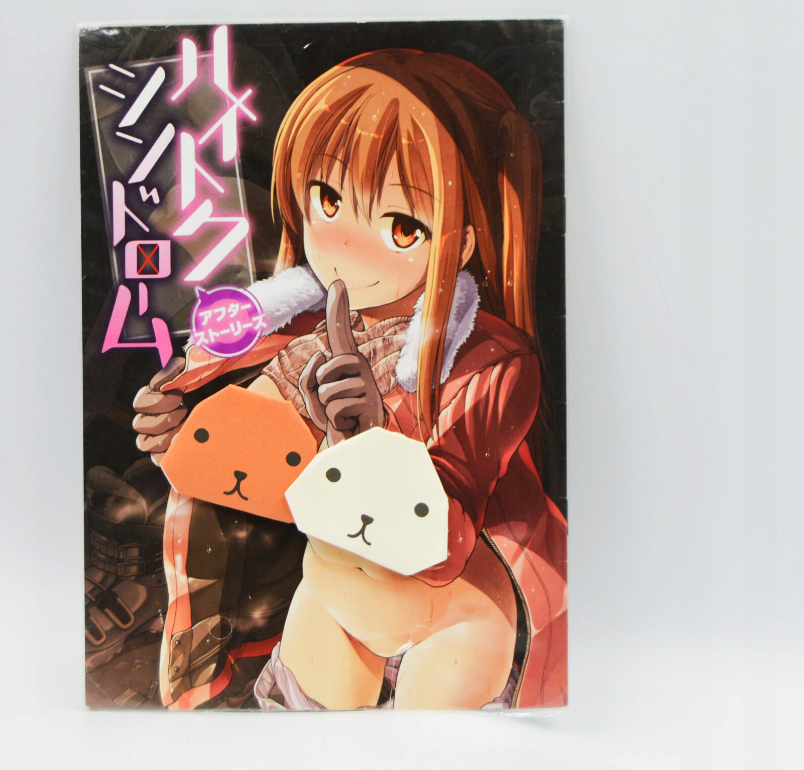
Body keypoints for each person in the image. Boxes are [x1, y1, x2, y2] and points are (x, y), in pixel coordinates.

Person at [132, 49, 567, 709]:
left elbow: (443, 542)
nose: (346, 245)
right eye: (329, 200)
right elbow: (250, 469)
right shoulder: (298, 331)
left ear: (462, 243)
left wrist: (370, 434)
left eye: (402, 226)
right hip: (334, 597)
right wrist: (181, 437)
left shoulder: (490, 362)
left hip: (456, 624)